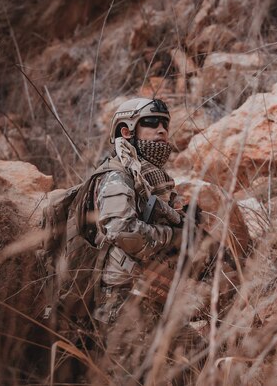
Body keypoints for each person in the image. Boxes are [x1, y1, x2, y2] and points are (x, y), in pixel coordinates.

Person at [90, 97, 182, 382]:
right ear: (126, 131)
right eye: (151, 122)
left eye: (165, 123)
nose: (161, 130)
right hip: (120, 301)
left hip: (152, 294)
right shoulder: (117, 177)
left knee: (194, 361)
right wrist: (173, 236)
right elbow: (123, 230)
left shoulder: (149, 179)